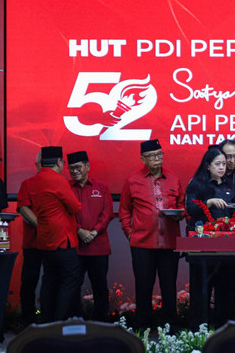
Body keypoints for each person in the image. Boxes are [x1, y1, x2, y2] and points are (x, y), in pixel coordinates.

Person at [119, 139, 185, 330]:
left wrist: (180, 213)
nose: (157, 159)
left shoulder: (173, 178)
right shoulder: (132, 180)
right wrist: (129, 233)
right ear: (142, 158)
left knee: (169, 286)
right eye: (152, 156)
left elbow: (181, 205)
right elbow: (124, 210)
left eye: (160, 154)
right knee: (143, 286)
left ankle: (170, 325)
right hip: (142, 243)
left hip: (169, 243)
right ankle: (143, 326)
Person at [29, 146, 83, 323]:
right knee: (70, 279)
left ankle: (46, 320)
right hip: (62, 238)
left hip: (45, 239)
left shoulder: (35, 180)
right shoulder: (58, 180)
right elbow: (76, 207)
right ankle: (60, 321)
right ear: (59, 162)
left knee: (49, 280)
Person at [185, 147, 235, 329]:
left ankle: (225, 329)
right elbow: (190, 209)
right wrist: (207, 202)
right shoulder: (197, 183)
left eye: (224, 164)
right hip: (203, 246)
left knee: (226, 289)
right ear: (208, 166)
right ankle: (198, 330)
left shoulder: (229, 184)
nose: (222, 167)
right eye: (218, 164)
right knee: (201, 290)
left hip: (226, 245)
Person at [67, 151, 114, 321]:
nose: (74, 171)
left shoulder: (102, 187)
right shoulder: (66, 188)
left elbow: (107, 213)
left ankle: (101, 322)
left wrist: (94, 232)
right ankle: (75, 320)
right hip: (75, 247)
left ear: (87, 166)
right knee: (73, 287)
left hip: (99, 247)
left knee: (100, 287)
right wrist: (79, 231)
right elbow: (66, 214)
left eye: (78, 167)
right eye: (71, 168)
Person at [16, 152, 43, 327]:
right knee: (29, 282)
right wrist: (43, 227)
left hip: (54, 243)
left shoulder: (62, 184)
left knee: (54, 282)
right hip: (33, 242)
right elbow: (22, 208)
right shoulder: (28, 184)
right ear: (37, 164)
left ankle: (51, 319)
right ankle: (27, 321)